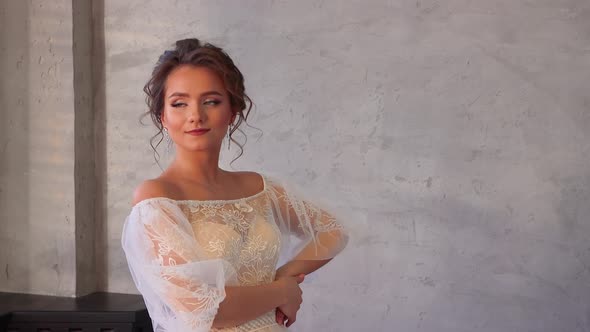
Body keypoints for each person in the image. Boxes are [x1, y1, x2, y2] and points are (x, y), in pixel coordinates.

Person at [121, 38, 349, 332]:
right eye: (179, 103)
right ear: (163, 116)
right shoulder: (157, 197)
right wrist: (283, 291)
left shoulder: (259, 187)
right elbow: (205, 310)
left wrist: (287, 275)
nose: (195, 116)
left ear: (232, 111)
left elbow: (333, 231)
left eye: (211, 101)